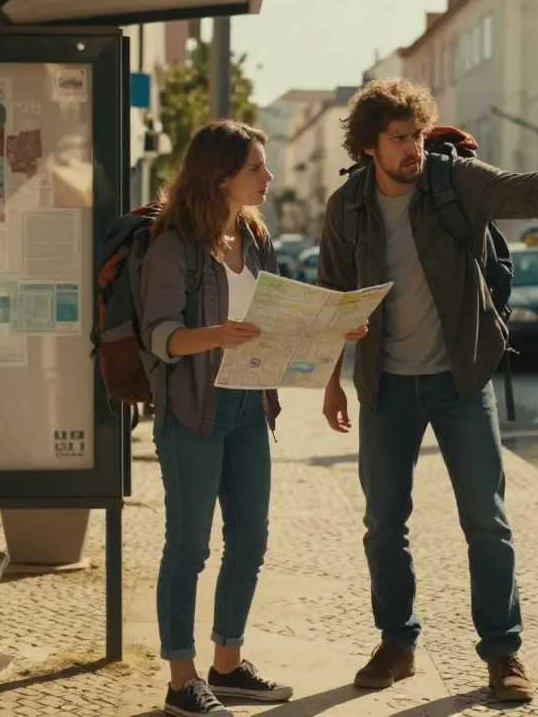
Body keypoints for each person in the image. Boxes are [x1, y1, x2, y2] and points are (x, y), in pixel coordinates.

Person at [315, 78, 538, 703]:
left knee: (486, 521)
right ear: (369, 145)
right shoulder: (347, 207)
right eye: (399, 138)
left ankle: (502, 652)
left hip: (462, 378)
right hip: (385, 386)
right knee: (383, 522)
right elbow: (334, 296)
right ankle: (397, 643)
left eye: (418, 135)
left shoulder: (453, 181)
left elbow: (529, 190)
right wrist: (332, 381)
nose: (414, 148)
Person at [139, 118, 368, 717]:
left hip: (250, 406)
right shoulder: (174, 244)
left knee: (249, 541)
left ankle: (228, 664)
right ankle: (181, 680)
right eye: (255, 167)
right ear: (220, 176)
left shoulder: (256, 236)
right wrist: (214, 334)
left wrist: (333, 329)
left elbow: (279, 320)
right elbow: (158, 335)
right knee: (188, 548)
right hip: (193, 410)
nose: (268, 175)